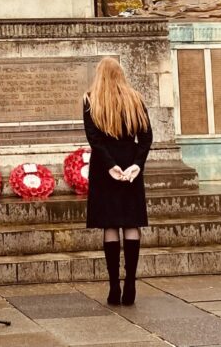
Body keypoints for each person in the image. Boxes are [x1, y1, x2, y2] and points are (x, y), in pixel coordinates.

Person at [83, 57, 153, 306]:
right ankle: (131, 282)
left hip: (105, 167)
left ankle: (114, 285)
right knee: (131, 224)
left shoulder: (91, 99)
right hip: (130, 161)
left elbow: (95, 140)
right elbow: (146, 138)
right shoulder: (136, 98)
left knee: (110, 226)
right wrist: (136, 165)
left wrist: (111, 166)